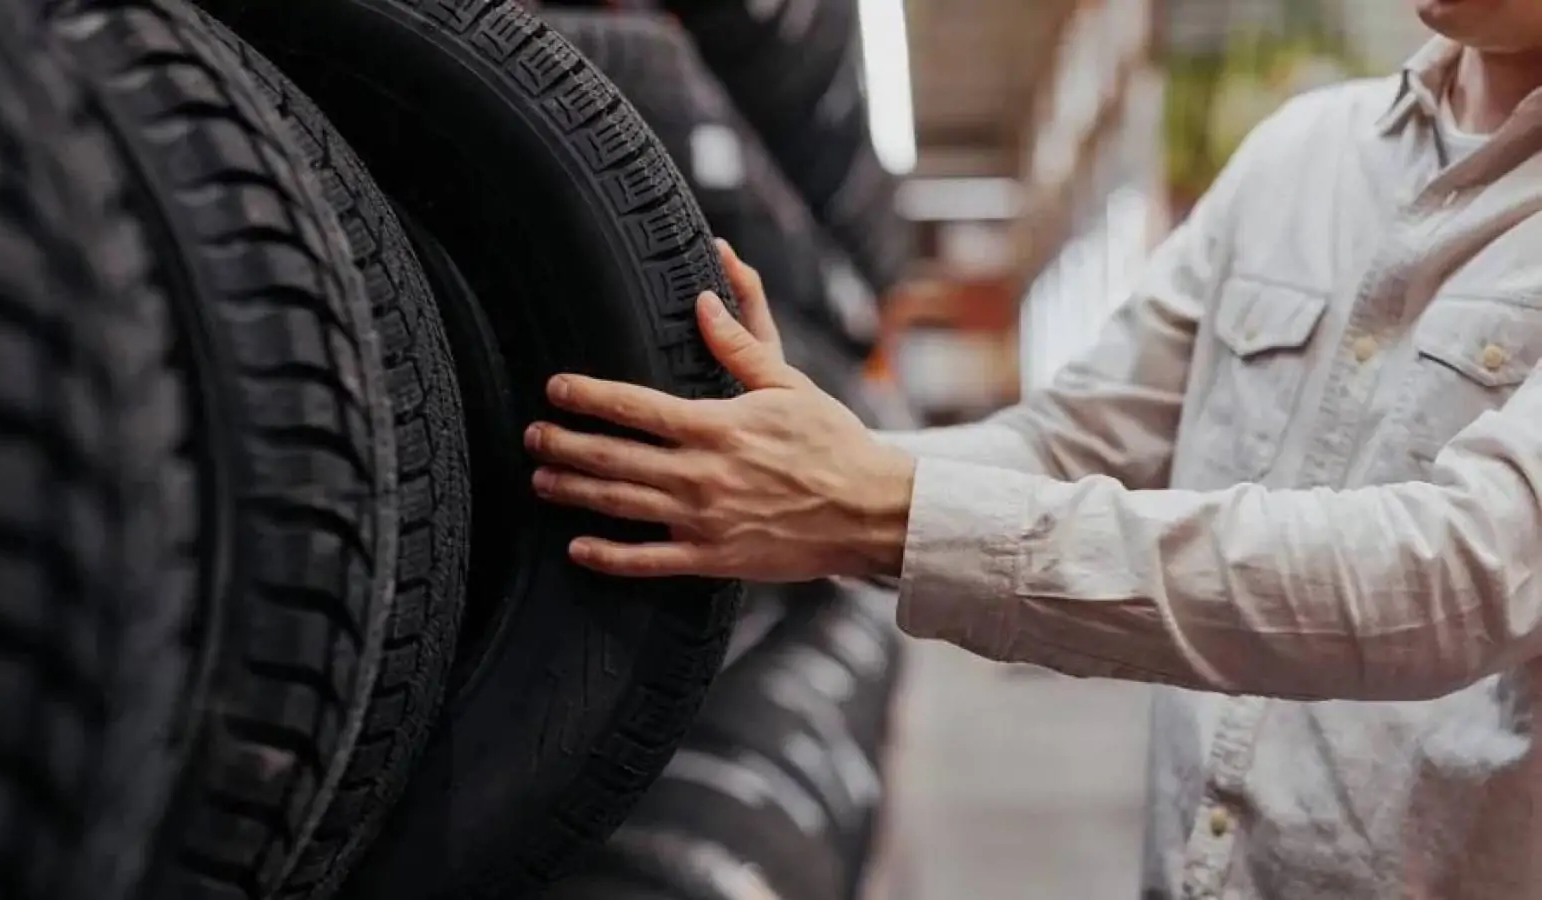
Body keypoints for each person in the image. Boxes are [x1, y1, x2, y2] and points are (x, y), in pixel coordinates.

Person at [523, 0, 1542, 896]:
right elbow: (1070, 439)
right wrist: (808, 455)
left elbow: (1453, 576)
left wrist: (880, 508)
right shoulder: (1300, 157)